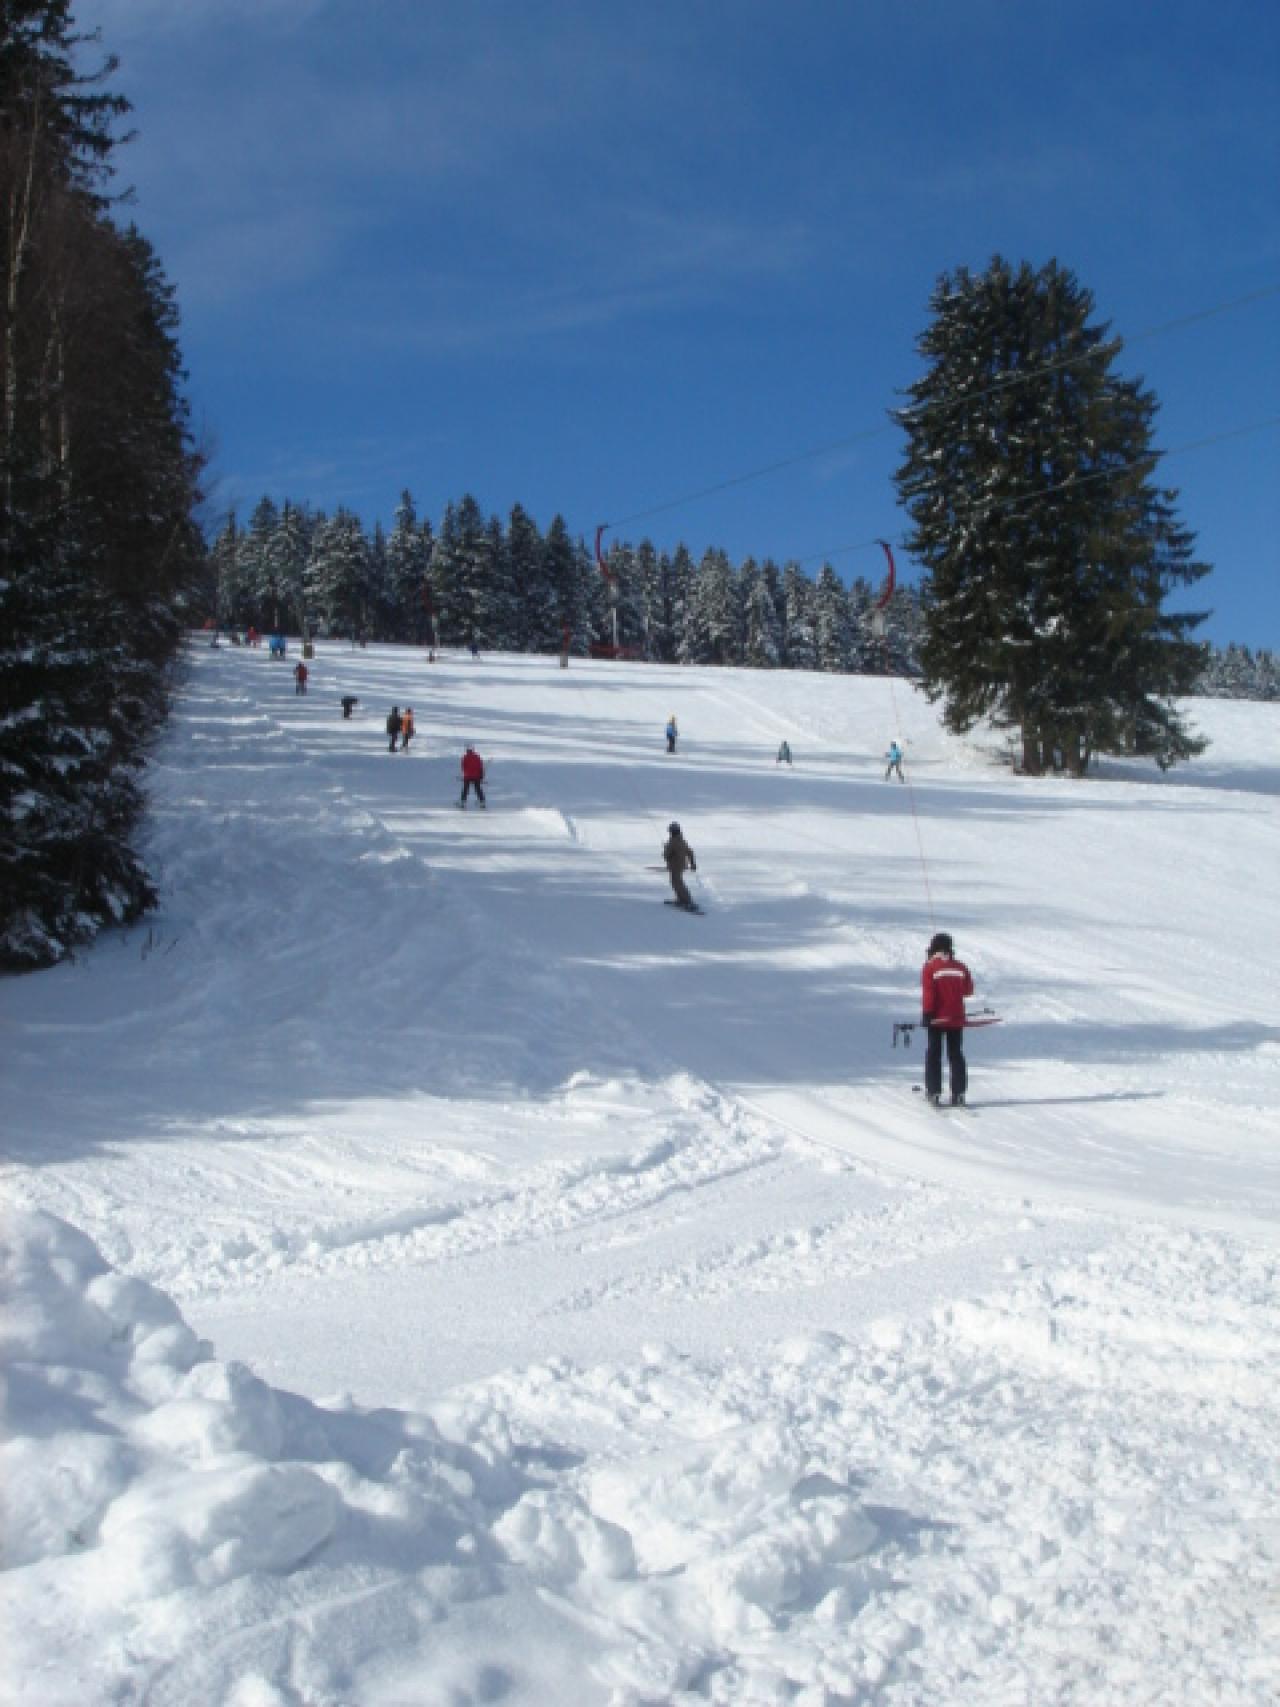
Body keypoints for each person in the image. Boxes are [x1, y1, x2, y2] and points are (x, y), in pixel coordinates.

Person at [921, 931, 975, 1107]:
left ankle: (934, 1092)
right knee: (956, 1054)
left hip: (937, 1018)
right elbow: (968, 990)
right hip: (956, 1018)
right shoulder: (960, 966)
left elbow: (929, 993)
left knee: (934, 1054)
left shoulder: (930, 967)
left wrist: (927, 1014)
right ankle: (959, 1093)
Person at [663, 821, 697, 910]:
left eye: (670, 831)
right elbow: (690, 852)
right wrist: (692, 863)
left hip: (675, 865)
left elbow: (666, 855)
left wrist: (666, 850)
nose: (670, 833)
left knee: (677, 883)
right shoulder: (681, 840)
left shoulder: (673, 841)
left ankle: (687, 901)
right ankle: (681, 899)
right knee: (675, 882)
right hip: (681, 865)